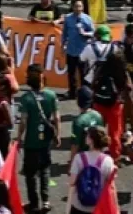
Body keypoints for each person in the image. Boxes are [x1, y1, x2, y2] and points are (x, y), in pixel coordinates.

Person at [17, 64, 60, 213]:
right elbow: (57, 117)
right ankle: (46, 201)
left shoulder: (26, 98)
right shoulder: (51, 95)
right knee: (45, 170)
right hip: (46, 141)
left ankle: (34, 203)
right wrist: (58, 134)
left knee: (30, 174)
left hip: (31, 141)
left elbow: (23, 121)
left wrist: (18, 137)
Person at [68, 126, 116, 214]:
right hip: (98, 206)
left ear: (91, 140)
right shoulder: (108, 160)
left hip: (79, 205)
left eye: (87, 136)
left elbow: (72, 182)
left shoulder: (79, 158)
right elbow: (111, 185)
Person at [62, 0, 94, 99]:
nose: (78, 8)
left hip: (83, 51)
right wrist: (63, 44)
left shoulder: (87, 19)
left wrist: (85, 33)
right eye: (76, 6)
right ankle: (72, 92)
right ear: (72, 7)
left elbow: (93, 33)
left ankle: (85, 93)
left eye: (80, 6)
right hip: (71, 50)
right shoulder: (68, 18)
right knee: (71, 73)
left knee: (83, 74)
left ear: (83, 7)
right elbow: (64, 33)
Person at [70, 86, 105, 164]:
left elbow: (75, 146)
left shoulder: (78, 122)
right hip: (97, 159)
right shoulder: (98, 116)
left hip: (83, 160)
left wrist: (71, 164)